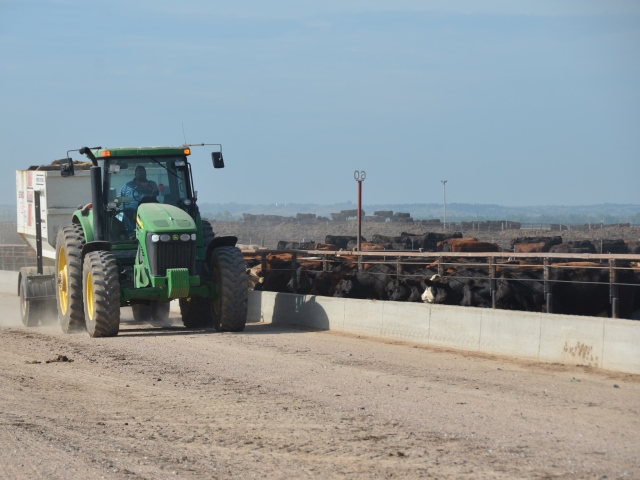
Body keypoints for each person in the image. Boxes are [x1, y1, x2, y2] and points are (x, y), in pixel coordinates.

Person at [118, 165, 158, 236]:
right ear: (135, 174)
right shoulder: (127, 186)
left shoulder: (151, 184)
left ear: (145, 173)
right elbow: (118, 199)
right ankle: (132, 234)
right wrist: (117, 200)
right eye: (139, 172)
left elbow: (156, 192)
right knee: (120, 214)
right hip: (130, 210)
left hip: (148, 209)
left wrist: (147, 186)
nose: (141, 173)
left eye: (143, 172)